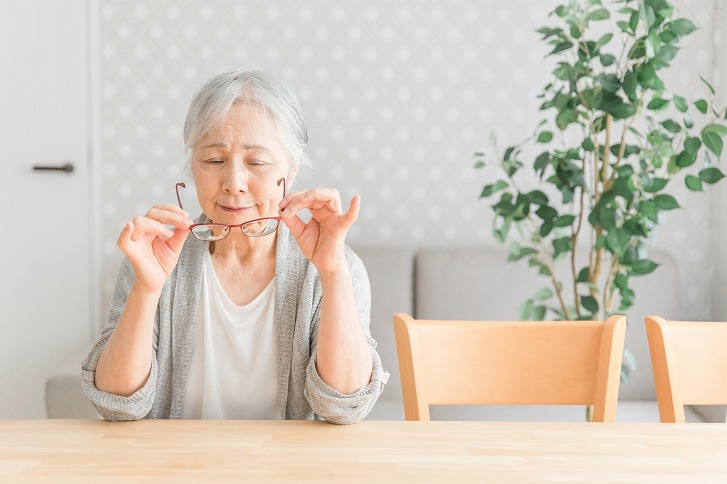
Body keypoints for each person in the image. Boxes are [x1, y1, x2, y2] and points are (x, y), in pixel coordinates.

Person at [81, 68, 389, 424]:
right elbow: (117, 406)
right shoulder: (155, 260)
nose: (234, 183)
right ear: (192, 167)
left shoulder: (336, 267)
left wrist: (333, 272)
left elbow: (343, 407)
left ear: (291, 170)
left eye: (256, 162)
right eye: (214, 161)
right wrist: (147, 289)